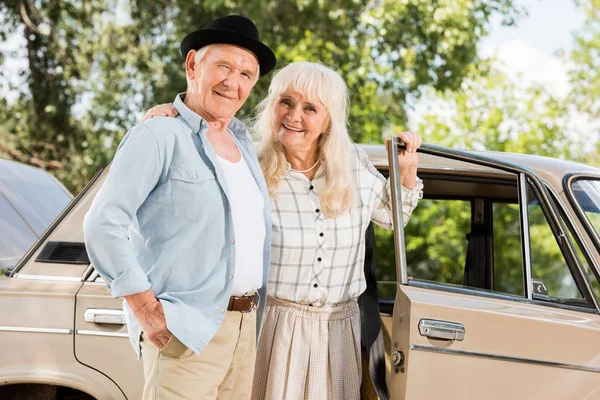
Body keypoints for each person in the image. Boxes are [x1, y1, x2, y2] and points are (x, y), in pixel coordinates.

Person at [143, 62, 423, 400]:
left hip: (339, 331)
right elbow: (187, 186)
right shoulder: (248, 163)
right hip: (274, 327)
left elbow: (394, 217)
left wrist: (406, 171)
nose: (294, 116)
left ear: (328, 120)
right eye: (285, 102)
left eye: (310, 108)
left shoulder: (354, 166)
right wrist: (163, 121)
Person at [83, 15, 276, 400]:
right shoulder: (158, 134)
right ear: (192, 65)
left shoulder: (244, 148)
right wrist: (145, 310)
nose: (232, 82)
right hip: (185, 331)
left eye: (245, 73)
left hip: (244, 330)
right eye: (223, 66)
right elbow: (103, 222)